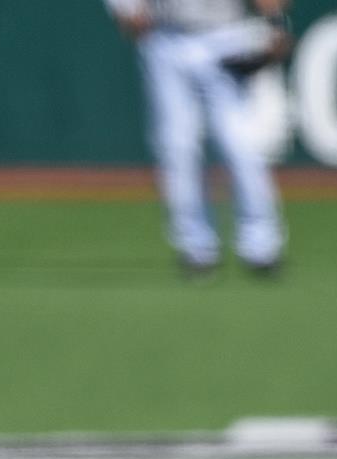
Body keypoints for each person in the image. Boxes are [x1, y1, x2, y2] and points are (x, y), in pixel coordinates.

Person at [106, 0, 291, 276]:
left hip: (226, 35)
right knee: (177, 147)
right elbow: (130, 15)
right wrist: (126, 10)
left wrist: (275, 21)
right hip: (166, 37)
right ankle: (197, 248)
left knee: (239, 145)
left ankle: (261, 245)